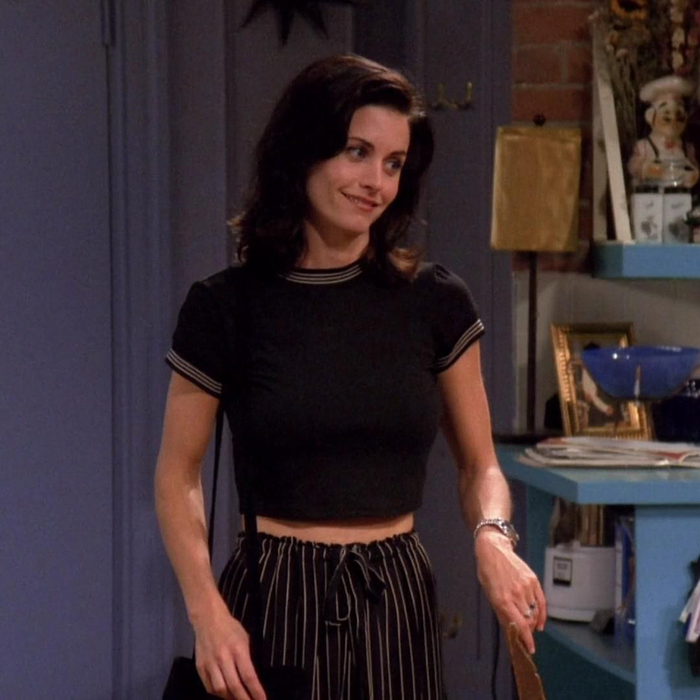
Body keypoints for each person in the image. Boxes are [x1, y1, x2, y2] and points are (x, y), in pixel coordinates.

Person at [155, 54, 546, 700]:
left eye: (394, 164)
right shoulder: (226, 305)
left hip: (397, 596)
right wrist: (206, 613)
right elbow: (177, 475)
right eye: (357, 152)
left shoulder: (436, 301)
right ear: (303, 152)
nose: (376, 182)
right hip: (273, 595)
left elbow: (481, 467)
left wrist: (493, 539)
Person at [627, 74, 699, 189]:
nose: (673, 118)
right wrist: (647, 169)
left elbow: (693, 167)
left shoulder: (688, 148)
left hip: (680, 194)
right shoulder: (643, 146)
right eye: (666, 114)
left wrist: (692, 175)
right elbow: (633, 166)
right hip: (652, 194)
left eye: (679, 114)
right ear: (650, 116)